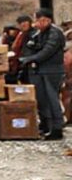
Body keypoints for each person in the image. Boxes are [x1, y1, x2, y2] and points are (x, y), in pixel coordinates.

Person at [19, 9, 65, 140]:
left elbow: (47, 51)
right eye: (37, 20)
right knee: (42, 100)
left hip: (52, 71)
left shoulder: (55, 33)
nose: (38, 23)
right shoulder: (38, 33)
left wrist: (30, 59)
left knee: (52, 99)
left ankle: (57, 128)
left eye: (41, 20)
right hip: (38, 70)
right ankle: (46, 125)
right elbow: (30, 47)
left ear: (48, 20)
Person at [11, 15, 34, 84]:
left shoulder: (34, 34)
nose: (23, 24)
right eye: (21, 23)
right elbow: (14, 47)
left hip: (30, 62)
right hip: (21, 62)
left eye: (25, 22)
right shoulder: (21, 34)